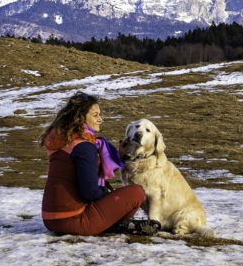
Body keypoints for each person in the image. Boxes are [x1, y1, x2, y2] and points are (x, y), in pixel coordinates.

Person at [40, 92, 158, 235]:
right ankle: (111, 225)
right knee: (135, 193)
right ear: (80, 117)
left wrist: (120, 156)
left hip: (51, 219)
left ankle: (108, 223)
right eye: (95, 115)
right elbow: (89, 193)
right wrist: (107, 192)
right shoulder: (83, 146)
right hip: (73, 221)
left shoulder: (67, 140)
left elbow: (86, 172)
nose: (100, 119)